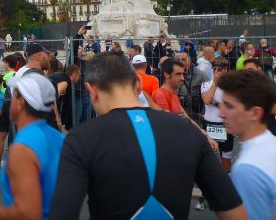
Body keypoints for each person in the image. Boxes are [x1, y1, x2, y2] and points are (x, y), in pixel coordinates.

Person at [49, 51, 246, 220]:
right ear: (138, 85)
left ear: (91, 90)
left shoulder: (81, 138)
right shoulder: (187, 131)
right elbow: (234, 211)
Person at [0, 71, 63, 220]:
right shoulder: (59, 138)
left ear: (21, 103)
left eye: (13, 96)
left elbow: (29, 214)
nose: (9, 101)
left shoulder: (23, 148)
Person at [218, 70, 276, 220]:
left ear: (255, 113)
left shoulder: (247, 169)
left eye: (229, 106)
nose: (221, 113)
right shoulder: (274, 143)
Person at [195, 56, 236, 211]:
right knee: (209, 162)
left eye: (221, 70)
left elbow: (230, 106)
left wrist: (217, 102)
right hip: (210, 125)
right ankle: (205, 196)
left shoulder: (232, 87)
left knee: (226, 162)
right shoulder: (206, 84)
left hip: (225, 126)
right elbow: (207, 100)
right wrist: (216, 84)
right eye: (215, 69)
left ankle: (226, 194)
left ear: (227, 70)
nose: (217, 72)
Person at [243, 58, 276, 136]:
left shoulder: (268, 85)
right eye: (246, 70)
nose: (248, 72)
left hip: (266, 131)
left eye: (251, 69)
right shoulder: (247, 85)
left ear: (259, 69)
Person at [50, 64, 81, 131]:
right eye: (79, 75)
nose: (79, 78)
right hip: (49, 114)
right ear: (74, 75)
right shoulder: (64, 83)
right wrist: (57, 119)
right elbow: (52, 99)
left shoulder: (61, 77)